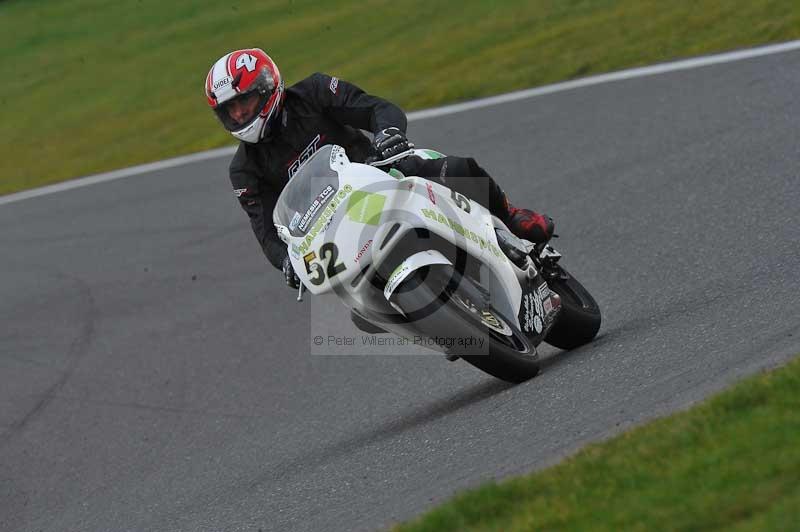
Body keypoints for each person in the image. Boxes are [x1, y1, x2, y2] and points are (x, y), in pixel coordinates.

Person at [205, 48, 554, 288]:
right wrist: (286, 261)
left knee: (453, 167)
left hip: (378, 172)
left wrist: (388, 134)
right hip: (332, 229)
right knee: (350, 308)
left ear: (267, 87)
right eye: (229, 111)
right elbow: (266, 229)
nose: (238, 115)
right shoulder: (244, 170)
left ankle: (510, 217)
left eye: (244, 102)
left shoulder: (312, 92)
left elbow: (374, 108)